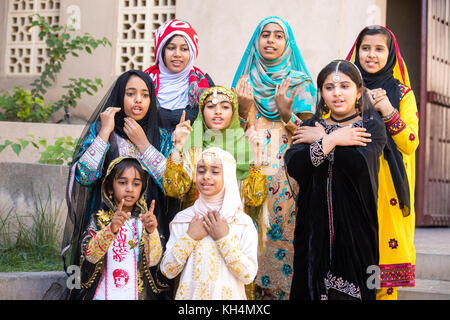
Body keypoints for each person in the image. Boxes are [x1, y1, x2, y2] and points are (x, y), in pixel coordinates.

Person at [63, 70, 175, 299]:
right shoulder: (103, 131)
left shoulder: (160, 136)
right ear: (119, 97)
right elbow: (84, 176)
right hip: (105, 222)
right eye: (131, 93)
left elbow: (172, 185)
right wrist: (105, 131)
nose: (138, 100)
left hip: (149, 223)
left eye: (145, 95)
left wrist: (144, 144)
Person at [286, 60, 387, 300]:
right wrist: (332, 140)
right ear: (321, 93)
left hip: (357, 229)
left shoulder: (371, 126)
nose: (337, 93)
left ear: (359, 92)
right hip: (312, 230)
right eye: (329, 87)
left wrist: (322, 140)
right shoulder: (310, 125)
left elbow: (359, 165)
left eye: (345, 86)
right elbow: (295, 165)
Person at [231, 16, 316, 299]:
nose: (270, 40)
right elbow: (225, 131)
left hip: (288, 178)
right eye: (265, 34)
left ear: (287, 43)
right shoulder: (244, 82)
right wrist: (243, 110)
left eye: (278, 36)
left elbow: (313, 135)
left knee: (283, 235)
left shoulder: (300, 83)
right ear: (256, 41)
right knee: (247, 233)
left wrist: (285, 114)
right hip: (248, 172)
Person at [346, 25, 419, 300]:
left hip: (387, 190)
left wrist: (388, 110)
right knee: (349, 274)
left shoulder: (402, 94)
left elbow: (410, 142)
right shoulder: (344, 88)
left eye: (379, 49)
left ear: (390, 55)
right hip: (351, 187)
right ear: (357, 50)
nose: (371, 55)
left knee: (383, 280)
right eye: (365, 48)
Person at [160, 147, 258, 299]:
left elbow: (248, 275)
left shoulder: (241, 222)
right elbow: (168, 270)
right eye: (201, 170)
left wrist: (223, 239)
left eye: (215, 171)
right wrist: (190, 237)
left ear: (228, 176)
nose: (206, 176)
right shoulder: (185, 219)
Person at [163, 85, 267, 212]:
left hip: (233, 227)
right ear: (202, 112)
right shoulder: (193, 149)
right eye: (211, 106)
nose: (218, 111)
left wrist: (256, 158)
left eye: (225, 107)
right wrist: (178, 148)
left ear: (234, 113)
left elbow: (255, 198)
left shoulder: (245, 148)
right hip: (196, 225)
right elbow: (173, 190)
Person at [76, 157, 162, 300]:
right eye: (122, 182)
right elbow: (90, 256)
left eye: (136, 184)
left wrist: (151, 232)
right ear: (110, 187)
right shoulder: (99, 218)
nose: (129, 189)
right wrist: (111, 229)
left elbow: (153, 261)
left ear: (143, 187)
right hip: (102, 295)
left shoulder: (144, 221)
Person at [144, 19, 213, 131]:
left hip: (193, 147)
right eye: (171, 48)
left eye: (184, 49)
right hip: (146, 147)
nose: (177, 54)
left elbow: (217, 128)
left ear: (191, 53)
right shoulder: (144, 83)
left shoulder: (204, 85)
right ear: (161, 50)